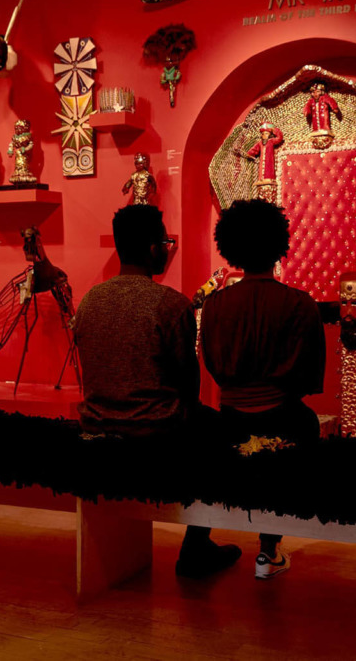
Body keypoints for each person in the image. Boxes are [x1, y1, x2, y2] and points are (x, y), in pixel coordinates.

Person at [72, 203, 241, 578]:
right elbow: (188, 385)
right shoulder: (169, 304)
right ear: (152, 248)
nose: (166, 249)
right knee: (223, 431)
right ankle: (196, 545)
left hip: (96, 424)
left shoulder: (90, 301)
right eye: (165, 242)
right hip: (156, 431)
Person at [199, 199, 326, 579]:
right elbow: (308, 378)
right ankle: (268, 551)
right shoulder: (300, 304)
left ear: (230, 246)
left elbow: (212, 363)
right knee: (307, 424)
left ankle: (198, 541)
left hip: (230, 421)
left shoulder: (214, 305)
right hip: (285, 419)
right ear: (278, 244)